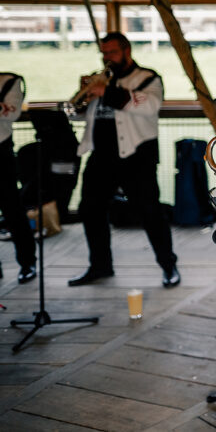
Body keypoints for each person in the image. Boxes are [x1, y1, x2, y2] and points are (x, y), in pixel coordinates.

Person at [68, 33, 180, 288]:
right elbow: (77, 115)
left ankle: (168, 265)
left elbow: (148, 106)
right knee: (90, 209)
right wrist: (84, 95)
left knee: (151, 213)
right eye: (104, 53)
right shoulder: (102, 81)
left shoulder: (148, 78)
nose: (106, 58)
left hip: (137, 157)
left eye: (112, 53)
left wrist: (104, 91)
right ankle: (100, 265)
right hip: (101, 157)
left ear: (126, 50)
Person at [0, 72, 37, 284]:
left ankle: (27, 262)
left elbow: (11, 113)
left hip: (1, 152)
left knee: (13, 210)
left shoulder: (9, 81)